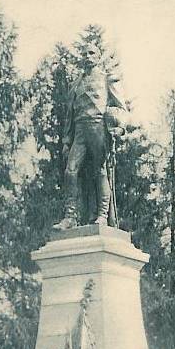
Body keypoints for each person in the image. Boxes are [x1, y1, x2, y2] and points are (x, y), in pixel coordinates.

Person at [54, 44, 126, 230]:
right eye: (84, 53)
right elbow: (70, 115)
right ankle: (70, 216)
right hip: (79, 130)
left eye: (92, 53)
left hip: (98, 128)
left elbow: (121, 109)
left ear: (99, 56)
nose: (87, 56)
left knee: (100, 171)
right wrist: (66, 141)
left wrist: (120, 127)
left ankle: (102, 216)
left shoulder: (107, 79)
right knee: (70, 171)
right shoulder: (76, 84)